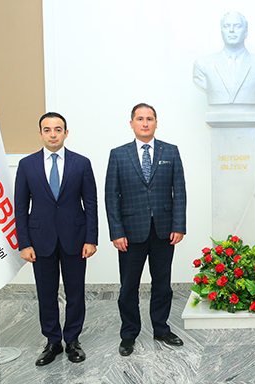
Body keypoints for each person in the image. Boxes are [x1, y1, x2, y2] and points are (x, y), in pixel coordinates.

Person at [15, 112, 98, 366]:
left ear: (66, 133)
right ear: (40, 133)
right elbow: (20, 207)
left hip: (75, 239)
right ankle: (52, 342)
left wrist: (91, 239)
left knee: (75, 292)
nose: (53, 134)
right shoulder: (26, 165)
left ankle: (72, 340)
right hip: (40, 241)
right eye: (47, 130)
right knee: (46, 293)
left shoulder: (81, 163)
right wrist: (24, 243)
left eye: (58, 129)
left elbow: (91, 204)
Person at [105, 103, 186, 356]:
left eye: (149, 118)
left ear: (156, 123)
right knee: (128, 286)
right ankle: (129, 333)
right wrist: (116, 232)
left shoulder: (170, 151)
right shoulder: (118, 154)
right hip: (130, 233)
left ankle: (161, 328)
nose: (145, 123)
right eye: (140, 119)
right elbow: (111, 196)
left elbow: (179, 192)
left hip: (164, 231)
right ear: (131, 123)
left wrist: (179, 225)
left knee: (162, 284)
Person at [193, 11, 255, 107]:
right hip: (217, 112)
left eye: (237, 26)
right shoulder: (202, 65)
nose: (231, 30)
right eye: (226, 26)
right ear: (221, 32)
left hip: (252, 112)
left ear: (246, 32)